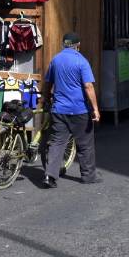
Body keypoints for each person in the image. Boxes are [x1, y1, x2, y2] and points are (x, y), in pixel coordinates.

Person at [41, 32, 100, 188]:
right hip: (79, 110)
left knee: (57, 143)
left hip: (59, 109)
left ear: (63, 44)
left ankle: (50, 176)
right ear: (78, 45)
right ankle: (88, 176)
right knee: (85, 144)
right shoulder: (81, 61)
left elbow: (47, 83)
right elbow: (88, 86)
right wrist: (95, 109)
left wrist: (46, 99)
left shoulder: (55, 60)